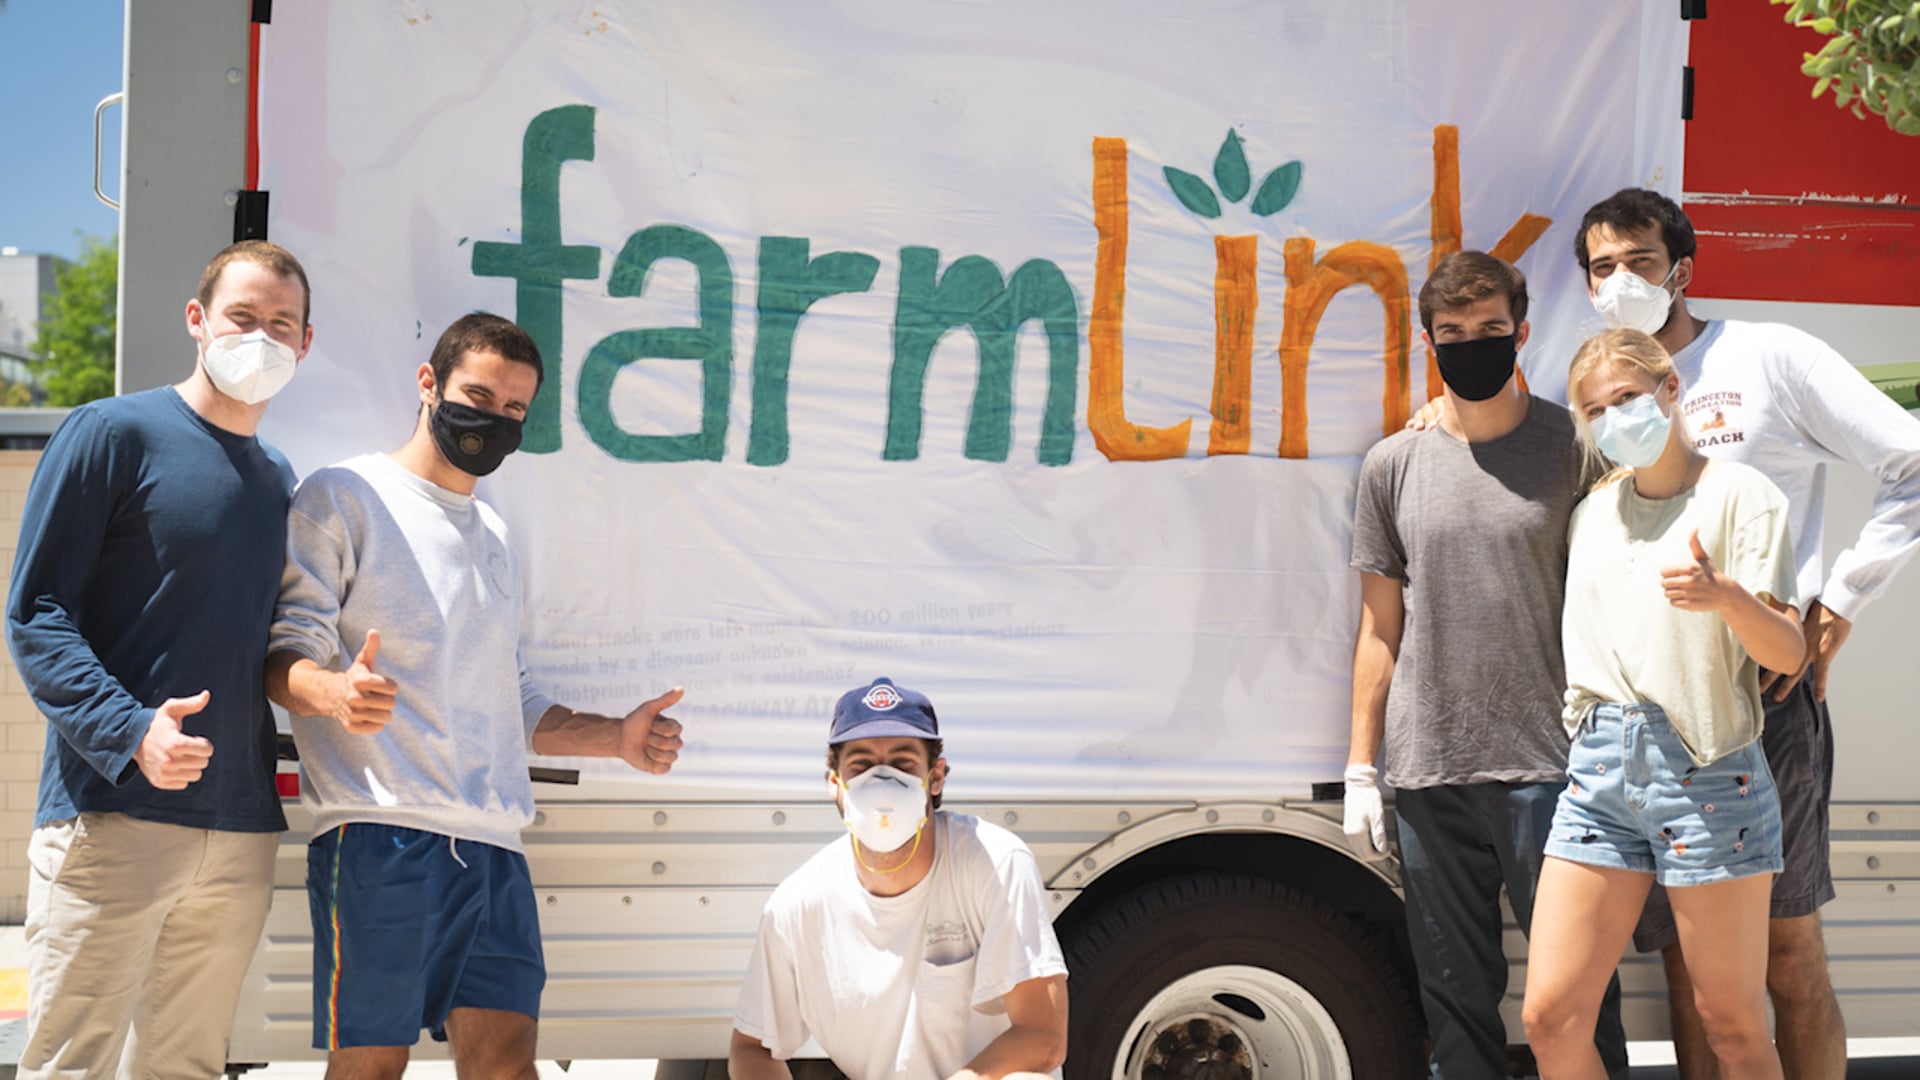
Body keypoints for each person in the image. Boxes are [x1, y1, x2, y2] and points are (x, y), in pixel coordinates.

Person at [264, 313, 687, 1079]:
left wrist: (613, 737)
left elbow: (513, 697)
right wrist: (331, 691)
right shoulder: (344, 495)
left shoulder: (492, 532)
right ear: (428, 384)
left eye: (513, 410)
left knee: (505, 1068)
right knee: (370, 1069)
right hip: (377, 838)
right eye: (478, 395)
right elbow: (282, 652)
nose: (492, 420)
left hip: (492, 849)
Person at [1576, 187, 1920, 1079]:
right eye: (1601, 267)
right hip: (1655, 721)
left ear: (1682, 268)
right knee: (1692, 970)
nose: (1620, 281)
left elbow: (1910, 460)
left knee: (1790, 956)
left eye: (1639, 261)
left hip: (1766, 705)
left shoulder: (1771, 357)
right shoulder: (1596, 391)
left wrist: (1839, 598)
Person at [5, 240, 314, 1078]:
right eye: (242, 318)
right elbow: (34, 613)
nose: (261, 338)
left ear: (306, 344)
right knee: (72, 1064)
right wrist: (131, 729)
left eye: (281, 324)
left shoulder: (277, 479)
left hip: (238, 828)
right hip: (111, 817)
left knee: (186, 1067)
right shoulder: (111, 433)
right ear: (197, 321)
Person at [1344, 251, 1627, 1078]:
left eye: (1490, 330)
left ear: (1522, 333)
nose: (1472, 345)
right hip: (1432, 773)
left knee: (1577, 1003)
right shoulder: (1392, 464)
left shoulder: (1575, 450)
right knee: (1456, 1005)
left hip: (1557, 770)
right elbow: (1376, 627)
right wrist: (1363, 767)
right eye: (1454, 334)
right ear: (1430, 343)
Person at [1522, 328, 1805, 1079]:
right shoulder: (1591, 512)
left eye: (1628, 399)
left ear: (1671, 391)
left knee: (1733, 1025)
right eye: (1597, 411)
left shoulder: (1740, 494)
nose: (1616, 420)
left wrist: (1726, 598)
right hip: (1599, 773)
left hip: (1707, 774)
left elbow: (1787, 653)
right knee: (1550, 1018)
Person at [730, 677, 1069, 1080]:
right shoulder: (797, 906)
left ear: (936, 777)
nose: (882, 781)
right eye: (861, 765)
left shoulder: (995, 863)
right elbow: (750, 1048)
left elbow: (1043, 1038)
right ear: (834, 784)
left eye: (903, 764)